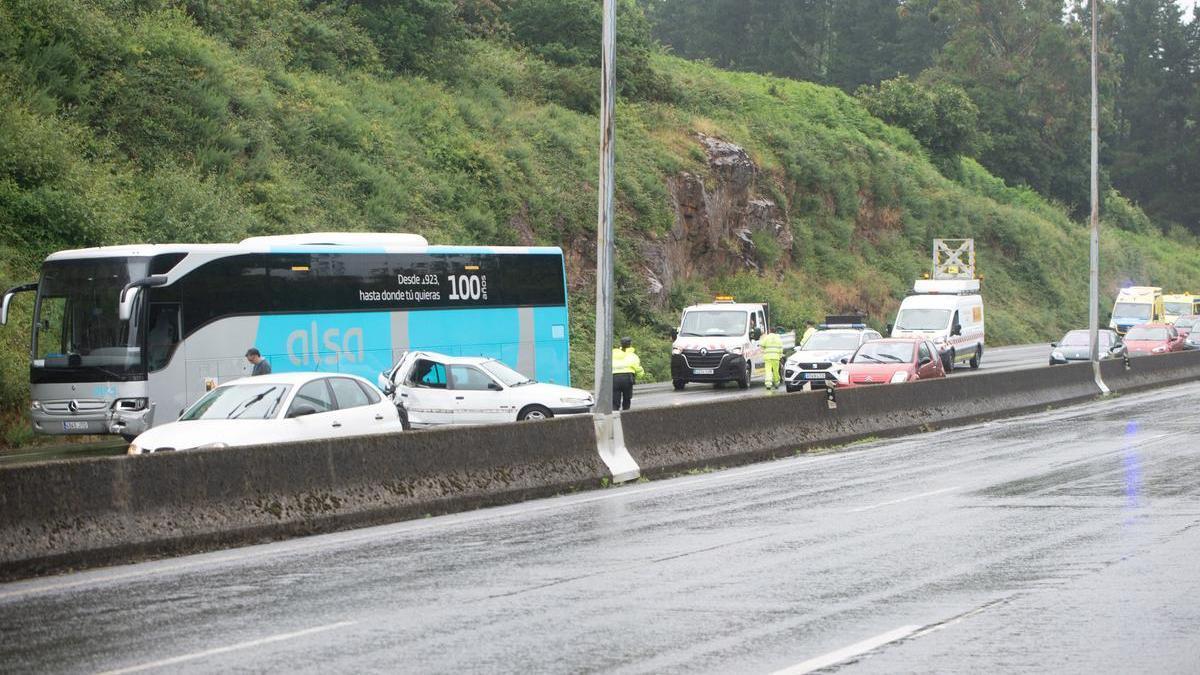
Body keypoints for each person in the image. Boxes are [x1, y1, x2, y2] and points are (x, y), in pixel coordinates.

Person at [611, 336, 644, 411]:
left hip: (614, 378)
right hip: (627, 378)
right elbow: (638, 369)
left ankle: (614, 414)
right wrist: (639, 377)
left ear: (620, 344)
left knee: (615, 399)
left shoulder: (613, 354)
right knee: (627, 398)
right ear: (630, 344)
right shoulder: (632, 356)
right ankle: (626, 414)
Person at [761, 327, 784, 392]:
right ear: (775, 331)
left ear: (769, 331)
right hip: (776, 357)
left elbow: (762, 345)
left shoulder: (766, 337)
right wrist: (780, 356)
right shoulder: (778, 338)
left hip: (768, 357)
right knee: (775, 371)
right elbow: (781, 348)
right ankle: (776, 383)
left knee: (768, 371)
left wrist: (764, 351)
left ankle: (768, 384)